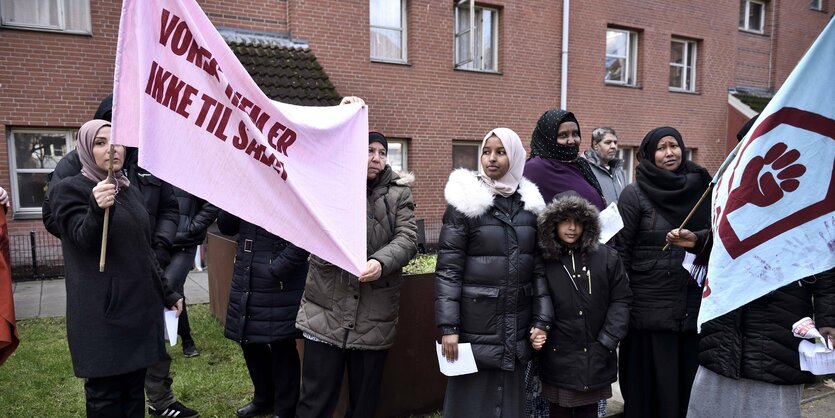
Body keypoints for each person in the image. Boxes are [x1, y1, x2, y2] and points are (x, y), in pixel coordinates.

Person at [42, 96, 198, 418]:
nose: (111, 149)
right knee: (106, 398)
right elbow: (82, 239)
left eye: (117, 143)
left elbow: (142, 249)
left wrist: (167, 293)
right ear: (85, 149)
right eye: (100, 143)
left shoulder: (128, 188)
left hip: (137, 310)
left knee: (132, 393)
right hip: (104, 315)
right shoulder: (70, 189)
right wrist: (96, 208)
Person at [295, 126, 418, 418]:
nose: (376, 158)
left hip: (374, 313)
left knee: (364, 402)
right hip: (326, 306)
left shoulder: (399, 193)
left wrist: (380, 262)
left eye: (382, 153)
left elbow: (408, 238)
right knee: (315, 400)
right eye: (369, 150)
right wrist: (342, 120)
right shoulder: (331, 182)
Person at [435, 127, 552, 418]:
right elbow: (448, 270)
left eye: (500, 152)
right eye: (486, 151)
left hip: (516, 326)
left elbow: (538, 270)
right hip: (476, 326)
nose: (491, 158)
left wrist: (542, 319)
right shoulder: (466, 204)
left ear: (514, 156)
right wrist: (449, 329)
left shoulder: (530, 208)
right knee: (469, 403)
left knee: (510, 404)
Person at [666, 228, 835, 418]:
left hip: (778, 327)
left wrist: (829, 320)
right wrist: (700, 242)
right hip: (725, 326)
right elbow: (725, 237)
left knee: (771, 401)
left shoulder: (805, 203)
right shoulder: (731, 197)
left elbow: (827, 261)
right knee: (713, 400)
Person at [613, 126, 711, 418]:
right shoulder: (634, 194)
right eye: (661, 148)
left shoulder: (703, 187)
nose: (669, 153)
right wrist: (624, 306)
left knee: (687, 395)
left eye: (674, 146)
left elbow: (718, 239)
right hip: (648, 316)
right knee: (650, 396)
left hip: (692, 310)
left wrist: (697, 240)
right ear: (648, 154)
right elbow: (620, 255)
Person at [536, 193, 631, 418]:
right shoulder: (544, 259)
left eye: (578, 221)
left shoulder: (607, 257)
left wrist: (607, 340)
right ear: (553, 222)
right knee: (558, 411)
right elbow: (537, 300)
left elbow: (622, 300)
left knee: (589, 411)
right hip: (558, 356)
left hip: (597, 354)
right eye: (565, 220)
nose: (572, 227)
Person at [217, 212, 309, 418]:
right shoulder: (246, 185)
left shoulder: (290, 181)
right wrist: (232, 194)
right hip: (247, 270)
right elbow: (227, 227)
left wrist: (279, 268)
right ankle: (263, 398)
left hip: (279, 277)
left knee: (281, 343)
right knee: (248, 339)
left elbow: (307, 233)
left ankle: (285, 408)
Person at [165, 186, 219, 357]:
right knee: (175, 290)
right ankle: (186, 338)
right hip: (159, 241)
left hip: (184, 243)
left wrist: (192, 227)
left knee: (168, 286)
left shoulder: (189, 168)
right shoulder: (151, 167)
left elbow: (213, 202)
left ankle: (161, 341)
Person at [524, 109, 606, 209]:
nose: (571, 141)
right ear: (547, 138)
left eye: (575, 134)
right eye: (563, 135)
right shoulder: (535, 168)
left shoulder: (580, 164)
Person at [582, 127, 626, 204]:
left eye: (615, 142)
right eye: (608, 142)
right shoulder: (585, 168)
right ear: (595, 145)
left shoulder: (618, 170)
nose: (613, 146)